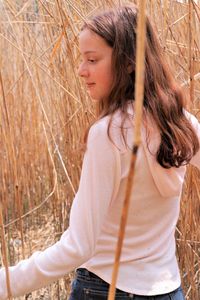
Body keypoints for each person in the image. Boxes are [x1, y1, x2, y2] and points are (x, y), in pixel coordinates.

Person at [0, 4, 200, 300]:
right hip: (168, 291)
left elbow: (79, 247)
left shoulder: (109, 135)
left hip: (105, 289)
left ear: (129, 62)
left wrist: (7, 282)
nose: (82, 71)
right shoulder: (180, 122)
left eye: (92, 60)